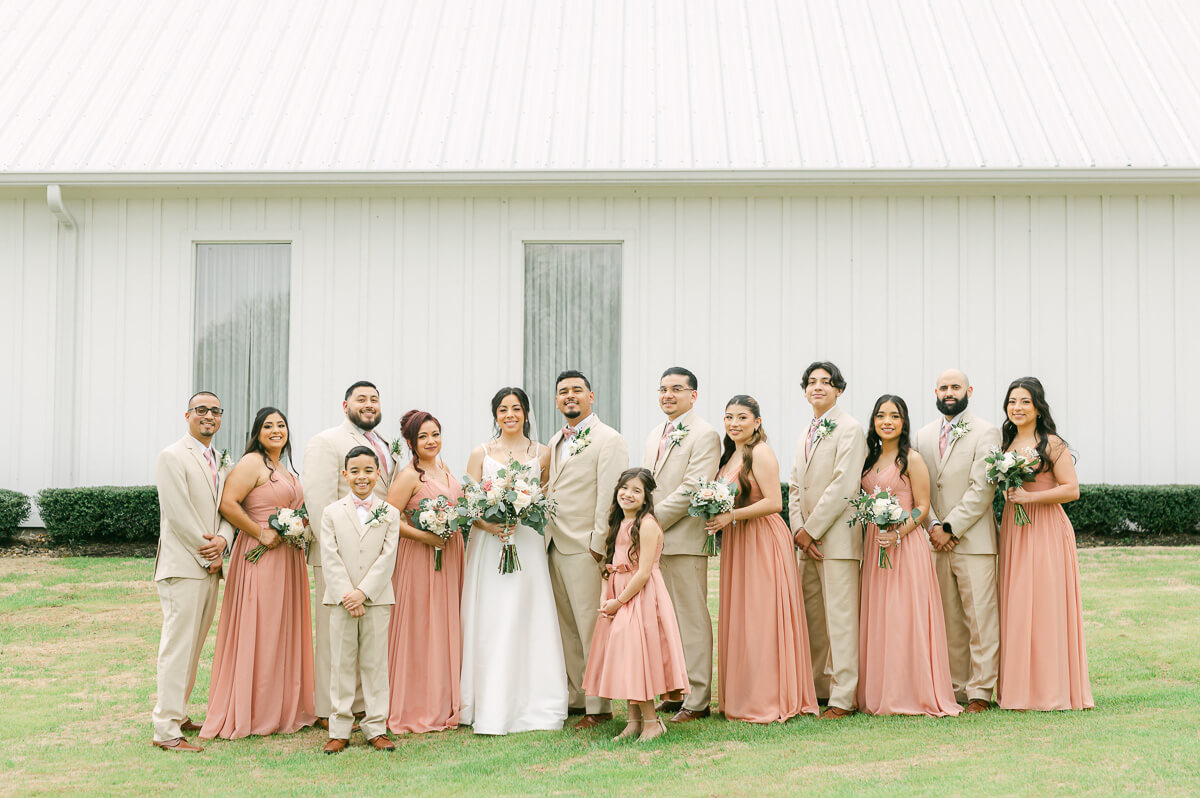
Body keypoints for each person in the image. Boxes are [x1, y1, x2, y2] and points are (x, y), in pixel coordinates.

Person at [201, 407, 317, 739]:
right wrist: (259, 530)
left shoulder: (285, 467)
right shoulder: (252, 462)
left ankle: (283, 706)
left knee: (282, 627)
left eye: (281, 425)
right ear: (257, 432)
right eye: (268, 426)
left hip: (289, 557)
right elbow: (228, 503)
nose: (276, 430)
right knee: (262, 626)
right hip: (260, 555)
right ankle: (254, 709)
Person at [459, 388, 568, 734]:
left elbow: (546, 497)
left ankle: (535, 700)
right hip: (491, 542)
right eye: (503, 409)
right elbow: (469, 502)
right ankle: (487, 701)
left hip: (527, 542)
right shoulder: (481, 453)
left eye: (516, 408)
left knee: (527, 612)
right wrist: (487, 524)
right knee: (492, 616)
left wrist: (525, 512)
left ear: (526, 413)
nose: (510, 415)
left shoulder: (544, 454)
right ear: (495, 415)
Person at [706, 396, 820, 723]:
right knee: (743, 618)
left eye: (742, 417)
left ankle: (769, 697)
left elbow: (774, 503)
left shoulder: (760, 452)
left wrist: (732, 516)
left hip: (763, 539)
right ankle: (743, 695)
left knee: (762, 618)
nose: (734, 423)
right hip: (740, 540)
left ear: (757, 421)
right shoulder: (729, 457)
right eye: (728, 417)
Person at [855, 395, 961, 716]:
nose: (887, 421)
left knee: (905, 616)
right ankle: (882, 690)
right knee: (881, 615)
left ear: (904, 422)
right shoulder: (867, 459)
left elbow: (923, 506)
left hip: (906, 544)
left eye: (894, 416)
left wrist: (898, 531)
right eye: (881, 415)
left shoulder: (911, 459)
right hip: (876, 543)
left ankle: (912, 691)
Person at [303, 381, 399, 728]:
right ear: (345, 406)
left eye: (375, 399)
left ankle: (363, 708)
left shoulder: (384, 445)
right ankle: (331, 713)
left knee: (370, 640)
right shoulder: (326, 441)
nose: (369, 404)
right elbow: (318, 502)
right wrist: (336, 558)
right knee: (336, 638)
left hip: (375, 554)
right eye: (362, 399)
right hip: (337, 557)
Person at [996, 377, 1093, 711]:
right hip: (1015, 528)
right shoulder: (1004, 441)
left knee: (1045, 605)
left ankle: (1050, 689)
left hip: (1046, 528)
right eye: (1012, 401)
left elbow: (1071, 489)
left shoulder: (1051, 443)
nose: (1017, 408)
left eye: (1024, 401)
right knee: (1017, 604)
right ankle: (1018, 689)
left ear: (1038, 407)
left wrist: (1030, 497)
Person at [150, 391, 237, 753]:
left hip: (210, 567)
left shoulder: (221, 459)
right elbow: (179, 514)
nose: (209, 416)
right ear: (187, 415)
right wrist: (209, 554)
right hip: (184, 566)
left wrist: (224, 541)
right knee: (177, 646)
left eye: (215, 412)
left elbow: (228, 510)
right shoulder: (172, 456)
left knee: (194, 646)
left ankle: (180, 712)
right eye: (202, 410)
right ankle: (165, 729)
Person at [544, 371, 629, 729]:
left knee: (590, 626)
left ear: (591, 396)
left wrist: (599, 546)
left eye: (577, 390)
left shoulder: (609, 439)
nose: (570, 396)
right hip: (552, 544)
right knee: (565, 626)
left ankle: (599, 706)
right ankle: (577, 698)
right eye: (563, 392)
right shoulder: (555, 440)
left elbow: (611, 495)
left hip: (585, 547)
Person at [913, 369, 1002, 712]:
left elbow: (983, 488)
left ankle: (980, 691)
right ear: (935, 391)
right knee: (948, 619)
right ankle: (956, 687)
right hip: (934, 540)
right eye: (944, 387)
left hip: (973, 541)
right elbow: (921, 486)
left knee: (980, 617)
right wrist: (933, 525)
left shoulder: (986, 432)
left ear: (969, 391)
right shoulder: (921, 435)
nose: (950, 392)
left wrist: (950, 528)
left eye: (956, 387)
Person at [639, 367, 721, 723]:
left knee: (690, 619)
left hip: (683, 539)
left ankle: (698, 699)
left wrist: (649, 520)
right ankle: (673, 691)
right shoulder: (656, 432)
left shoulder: (705, 435)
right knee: (661, 621)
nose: (668, 395)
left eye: (676, 389)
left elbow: (692, 487)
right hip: (653, 542)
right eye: (662, 389)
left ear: (693, 395)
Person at [583, 468, 688, 742]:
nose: (628, 494)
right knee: (628, 657)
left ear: (646, 498)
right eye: (624, 488)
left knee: (639, 656)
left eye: (636, 491)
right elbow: (610, 564)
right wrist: (607, 597)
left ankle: (652, 723)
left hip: (640, 596)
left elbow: (642, 573)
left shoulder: (648, 525)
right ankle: (633, 722)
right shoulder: (618, 522)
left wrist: (619, 601)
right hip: (619, 595)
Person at [787, 361, 868, 719]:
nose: (818, 387)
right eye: (812, 382)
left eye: (826, 382)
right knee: (813, 620)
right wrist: (797, 530)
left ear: (839, 389)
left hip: (836, 540)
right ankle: (820, 689)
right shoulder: (806, 429)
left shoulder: (850, 429)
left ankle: (843, 696)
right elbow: (794, 485)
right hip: (806, 540)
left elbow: (844, 485)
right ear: (805, 390)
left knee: (841, 619)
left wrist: (812, 529)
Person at [384, 409, 464, 734]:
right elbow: (389, 518)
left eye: (435, 434)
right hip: (419, 559)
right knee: (421, 627)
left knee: (445, 625)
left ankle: (445, 699)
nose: (431, 441)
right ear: (410, 442)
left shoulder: (444, 468)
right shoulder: (408, 476)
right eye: (423, 437)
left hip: (451, 556)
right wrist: (426, 536)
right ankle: (415, 704)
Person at [319, 446, 400, 753]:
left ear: (378, 473)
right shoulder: (331, 512)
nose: (362, 477)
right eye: (355, 471)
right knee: (341, 662)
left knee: (375, 664)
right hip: (341, 600)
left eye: (368, 470)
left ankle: (376, 727)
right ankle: (339, 728)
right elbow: (330, 556)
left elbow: (387, 557)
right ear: (345, 474)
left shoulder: (390, 513)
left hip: (376, 599)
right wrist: (347, 594)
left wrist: (363, 593)